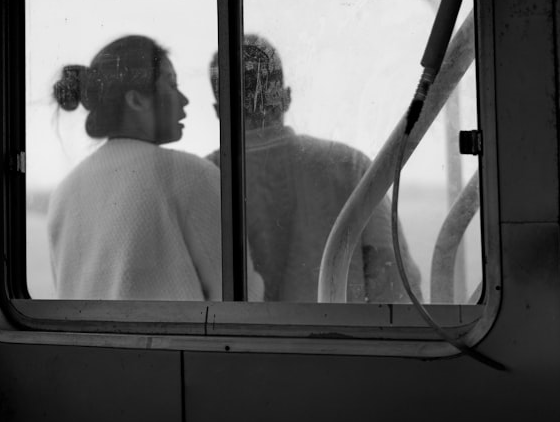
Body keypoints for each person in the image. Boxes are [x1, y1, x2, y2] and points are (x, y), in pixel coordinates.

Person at [206, 34, 422, 303]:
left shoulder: (205, 177)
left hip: (236, 344)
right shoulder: (349, 166)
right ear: (285, 97)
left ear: (219, 110)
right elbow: (393, 279)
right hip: (337, 340)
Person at [47, 34, 263, 301]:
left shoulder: (65, 193)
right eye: (171, 85)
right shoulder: (190, 175)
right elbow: (240, 299)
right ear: (136, 100)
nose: (184, 99)